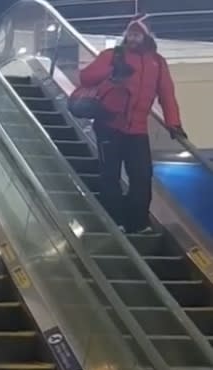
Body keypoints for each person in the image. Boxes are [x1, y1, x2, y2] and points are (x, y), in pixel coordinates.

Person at [79, 14, 186, 234]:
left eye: (137, 33)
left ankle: (137, 223)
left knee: (142, 176)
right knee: (110, 174)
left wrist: (173, 123)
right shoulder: (113, 55)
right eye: (130, 33)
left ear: (146, 36)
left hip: (137, 130)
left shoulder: (158, 62)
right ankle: (115, 220)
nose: (132, 37)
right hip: (108, 124)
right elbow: (85, 77)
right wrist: (112, 70)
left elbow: (166, 95)